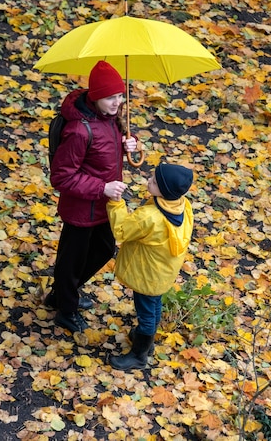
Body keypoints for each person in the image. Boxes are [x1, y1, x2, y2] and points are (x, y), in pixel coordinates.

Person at [45, 60, 138, 334]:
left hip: (103, 208)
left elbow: (105, 152)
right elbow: (61, 177)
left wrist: (129, 144)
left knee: (104, 249)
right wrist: (103, 188)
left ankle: (63, 293)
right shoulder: (78, 130)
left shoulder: (110, 120)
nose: (117, 102)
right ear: (96, 96)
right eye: (111, 97)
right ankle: (66, 310)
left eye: (120, 95)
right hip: (82, 209)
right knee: (71, 260)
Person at [106, 162, 194, 371]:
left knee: (145, 312)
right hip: (162, 272)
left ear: (164, 192)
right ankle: (146, 341)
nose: (149, 181)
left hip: (146, 274)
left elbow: (121, 231)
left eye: (154, 181)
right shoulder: (181, 204)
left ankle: (139, 355)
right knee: (154, 305)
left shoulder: (150, 217)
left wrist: (116, 203)